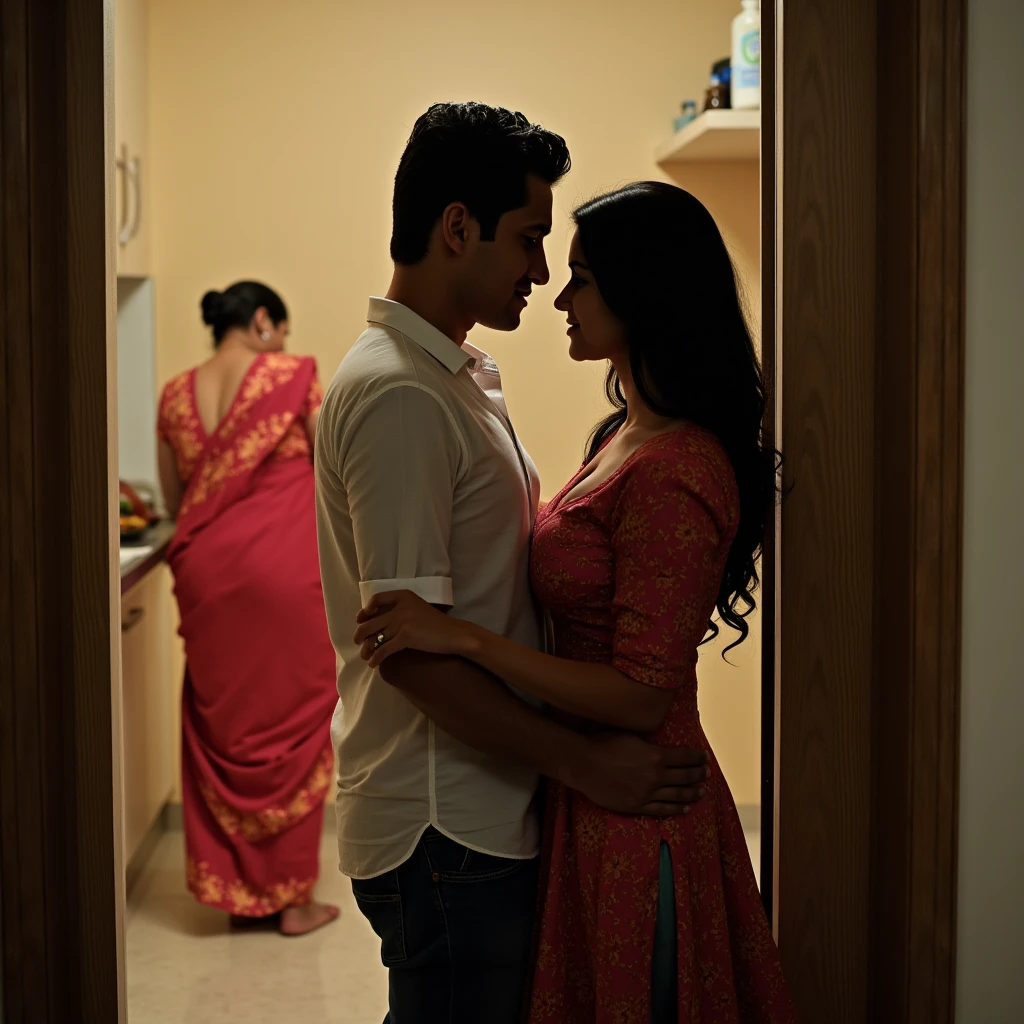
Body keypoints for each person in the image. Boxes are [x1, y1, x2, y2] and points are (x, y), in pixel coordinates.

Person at [354, 183, 798, 1022]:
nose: (557, 292)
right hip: (587, 788)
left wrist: (464, 641)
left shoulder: (680, 468)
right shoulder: (620, 434)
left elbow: (641, 691)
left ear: (645, 293)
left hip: (639, 799)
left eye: (582, 278)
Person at [314, 104, 711, 1023]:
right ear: (459, 227)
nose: (543, 271)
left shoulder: (449, 376)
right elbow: (407, 649)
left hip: (482, 803)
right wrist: (582, 763)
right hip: (445, 819)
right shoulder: (399, 395)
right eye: (531, 238)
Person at [158, 281, 339, 937]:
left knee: (225, 722)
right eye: (280, 331)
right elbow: (332, 472)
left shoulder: (176, 393)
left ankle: (240, 896)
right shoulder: (291, 376)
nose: (283, 345)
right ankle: (291, 901)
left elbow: (178, 496)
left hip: (206, 578)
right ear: (264, 321)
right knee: (293, 726)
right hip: (284, 574)